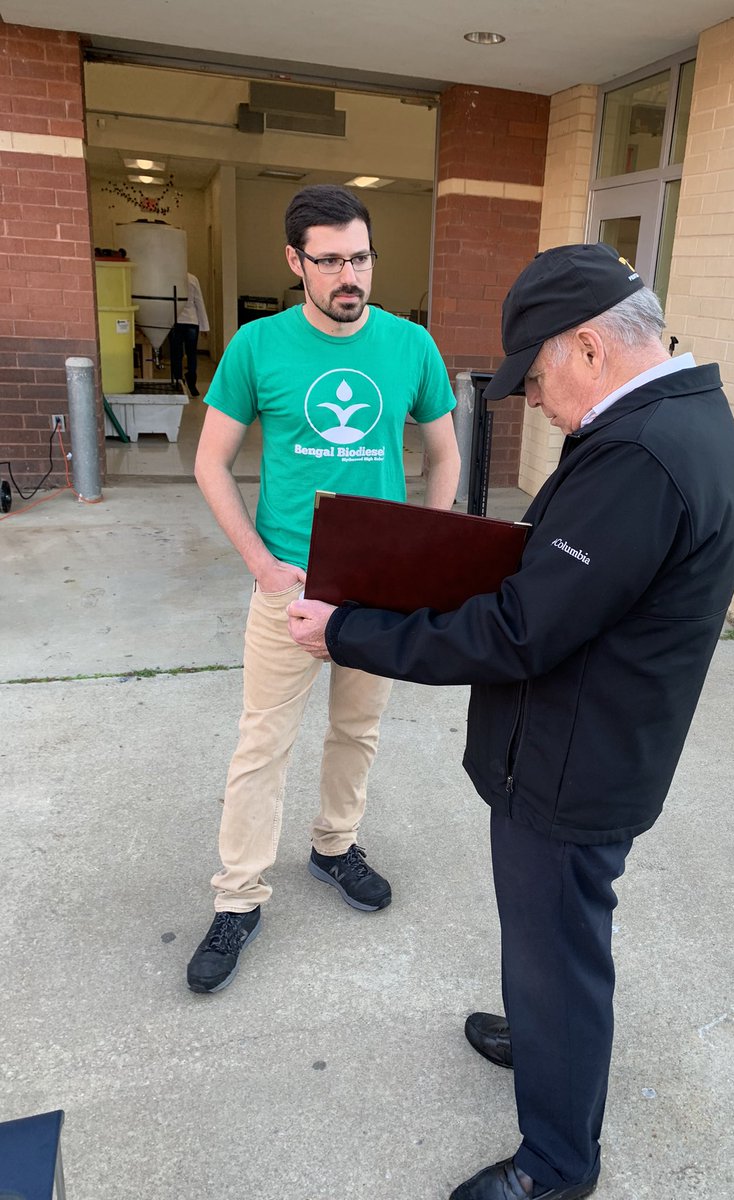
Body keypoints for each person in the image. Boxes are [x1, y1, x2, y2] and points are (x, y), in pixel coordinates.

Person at [286, 243, 734, 1200]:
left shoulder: (642, 455)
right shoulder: (672, 417)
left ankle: (556, 1163)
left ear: (587, 347)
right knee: (545, 942)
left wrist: (355, 631)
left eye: (535, 378)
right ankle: (543, 1037)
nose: (534, 400)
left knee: (561, 954)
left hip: (572, 762)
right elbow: (554, 578)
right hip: (586, 740)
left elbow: (521, 630)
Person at [187, 184, 460, 995]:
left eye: (362, 257)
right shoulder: (258, 347)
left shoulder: (411, 348)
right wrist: (262, 567)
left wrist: (419, 553)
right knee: (261, 743)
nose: (351, 275)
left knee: (358, 731)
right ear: (294, 262)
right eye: (331, 260)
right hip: (289, 584)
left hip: (375, 592)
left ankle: (335, 846)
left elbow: (444, 456)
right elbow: (211, 462)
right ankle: (239, 898)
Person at [170, 271, 209, 397]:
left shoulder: (171, 278)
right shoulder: (193, 278)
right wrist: (204, 327)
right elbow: (199, 301)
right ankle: (192, 381)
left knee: (176, 354)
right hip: (192, 321)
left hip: (176, 320)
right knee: (192, 353)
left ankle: (178, 381)